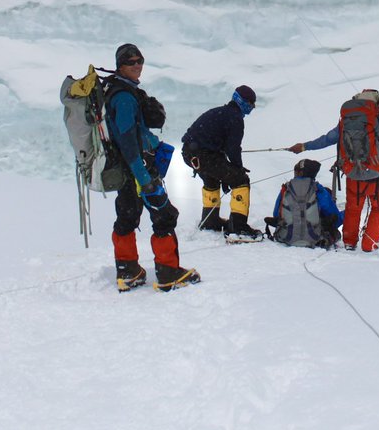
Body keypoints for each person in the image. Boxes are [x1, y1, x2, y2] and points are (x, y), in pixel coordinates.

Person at [103, 43, 199, 292]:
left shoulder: (118, 90)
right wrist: (143, 177)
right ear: (120, 66)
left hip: (126, 171)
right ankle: (169, 274)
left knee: (126, 216)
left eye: (139, 60)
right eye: (130, 61)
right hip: (138, 170)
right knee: (165, 216)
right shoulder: (124, 97)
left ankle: (128, 272)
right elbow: (127, 141)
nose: (137, 65)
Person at [288, 89, 379, 252]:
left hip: (353, 174)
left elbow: (327, 139)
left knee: (353, 209)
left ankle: (349, 243)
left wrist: (305, 146)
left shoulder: (346, 123)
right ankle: (369, 246)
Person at [181, 85, 263, 242]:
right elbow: (233, 149)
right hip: (204, 155)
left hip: (190, 154)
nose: (252, 107)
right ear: (244, 102)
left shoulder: (219, 112)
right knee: (241, 180)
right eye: (251, 103)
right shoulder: (235, 118)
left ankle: (210, 221)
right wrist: (237, 170)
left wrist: (227, 172)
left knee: (212, 180)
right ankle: (238, 229)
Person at [266, 158, 342, 248]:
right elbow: (335, 216)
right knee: (335, 232)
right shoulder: (318, 189)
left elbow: (276, 214)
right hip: (314, 237)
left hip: (286, 236)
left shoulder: (286, 188)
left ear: (300, 173)